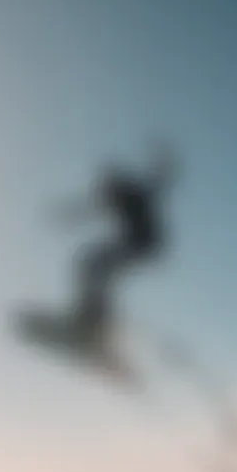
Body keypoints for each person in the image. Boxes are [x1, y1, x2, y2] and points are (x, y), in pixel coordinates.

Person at [56, 143, 179, 343]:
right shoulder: (118, 196)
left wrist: (165, 161)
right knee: (95, 267)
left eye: (109, 193)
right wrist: (68, 213)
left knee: (95, 266)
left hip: (145, 243)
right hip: (140, 245)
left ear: (116, 186)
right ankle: (95, 321)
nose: (108, 200)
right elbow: (90, 209)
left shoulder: (133, 192)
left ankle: (93, 322)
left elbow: (159, 180)